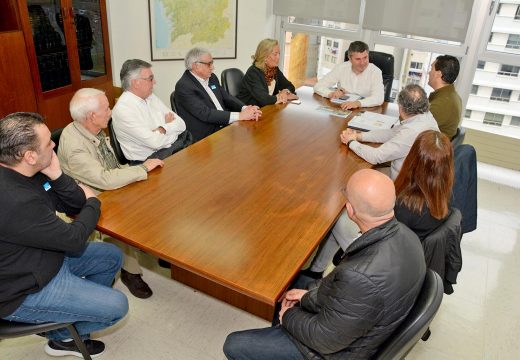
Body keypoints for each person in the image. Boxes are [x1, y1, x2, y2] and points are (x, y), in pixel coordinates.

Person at [223, 169, 426, 359]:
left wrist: (289, 316)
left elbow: (324, 341)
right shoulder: (409, 237)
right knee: (299, 284)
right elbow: (348, 297)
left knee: (233, 344)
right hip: (361, 324)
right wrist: (307, 296)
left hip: (336, 352)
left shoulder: (359, 276)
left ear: (350, 210)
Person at [0, 112, 128, 358]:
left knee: (111, 256)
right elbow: (74, 238)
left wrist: (57, 175)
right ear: (29, 156)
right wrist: (93, 202)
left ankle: (68, 323)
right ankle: (62, 337)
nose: (54, 144)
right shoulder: (15, 199)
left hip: (43, 256)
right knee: (117, 306)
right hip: (22, 290)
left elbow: (73, 205)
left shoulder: (27, 172)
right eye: (49, 142)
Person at [58, 88, 165, 299]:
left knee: (153, 193)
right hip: (87, 198)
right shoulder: (75, 147)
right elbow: (104, 180)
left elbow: (111, 168)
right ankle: (130, 270)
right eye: (107, 108)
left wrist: (139, 171)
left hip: (104, 185)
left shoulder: (92, 128)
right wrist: (142, 168)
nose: (111, 111)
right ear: (91, 116)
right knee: (123, 218)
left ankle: (153, 245)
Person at [305, 130, 454, 278]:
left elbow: (376, 230)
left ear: (413, 158)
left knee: (337, 213)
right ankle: (317, 270)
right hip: (406, 252)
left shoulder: (407, 205)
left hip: (382, 257)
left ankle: (321, 267)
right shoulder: (444, 193)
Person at [341, 84, 439, 180]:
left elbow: (376, 157)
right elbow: (392, 133)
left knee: (357, 179)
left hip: (404, 186)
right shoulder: (426, 116)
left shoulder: (411, 132)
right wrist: (358, 136)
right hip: (418, 176)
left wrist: (351, 142)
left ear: (400, 107)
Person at [175, 47, 263, 142]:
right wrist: (240, 116)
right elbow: (205, 114)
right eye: (209, 64)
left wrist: (245, 108)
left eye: (212, 63)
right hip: (205, 138)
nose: (213, 67)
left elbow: (227, 97)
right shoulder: (184, 86)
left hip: (224, 127)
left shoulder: (212, 77)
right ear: (196, 66)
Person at [112, 59, 191, 163]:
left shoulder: (150, 97)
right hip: (146, 164)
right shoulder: (124, 110)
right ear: (136, 83)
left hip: (169, 152)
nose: (154, 82)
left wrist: (162, 128)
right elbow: (155, 143)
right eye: (150, 79)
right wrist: (169, 127)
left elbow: (181, 124)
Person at [313, 41, 384, 110]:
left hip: (365, 110)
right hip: (342, 108)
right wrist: (330, 94)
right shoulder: (341, 68)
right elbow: (318, 86)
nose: (362, 63)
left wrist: (357, 103)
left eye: (365, 58)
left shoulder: (375, 72)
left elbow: (378, 98)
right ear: (350, 58)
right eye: (358, 59)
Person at [237, 38, 298, 107]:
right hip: (249, 112)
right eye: (275, 54)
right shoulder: (253, 73)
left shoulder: (274, 70)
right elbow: (264, 99)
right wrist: (282, 97)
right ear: (264, 56)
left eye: (279, 53)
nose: (278, 57)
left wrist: (286, 92)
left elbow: (290, 86)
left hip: (266, 109)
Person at [427, 55, 462, 139]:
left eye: (431, 69)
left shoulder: (442, 104)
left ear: (438, 74)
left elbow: (413, 127)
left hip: (430, 148)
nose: (429, 72)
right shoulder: (451, 96)